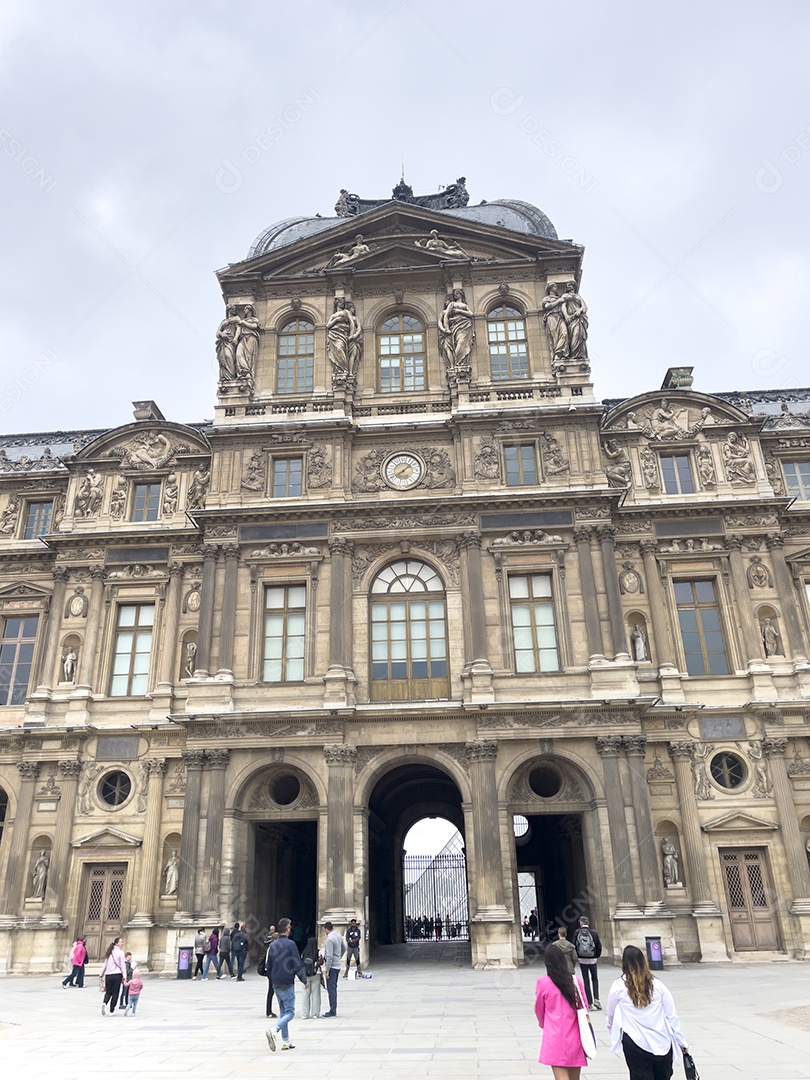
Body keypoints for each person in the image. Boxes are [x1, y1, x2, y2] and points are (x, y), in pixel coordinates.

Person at [606, 945, 688, 1080]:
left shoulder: (618, 986)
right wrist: (682, 1043)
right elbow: (672, 1016)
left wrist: (614, 1033)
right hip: (661, 1041)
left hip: (634, 1041)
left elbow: (611, 1015)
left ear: (624, 963)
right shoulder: (658, 985)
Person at [535, 940, 590, 1079]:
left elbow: (539, 1009)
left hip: (555, 1036)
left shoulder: (543, 983)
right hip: (575, 1036)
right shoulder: (576, 981)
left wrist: (543, 1024)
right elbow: (585, 1007)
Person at [265, 918, 306, 1053]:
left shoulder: (273, 945)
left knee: (283, 1012)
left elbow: (268, 965)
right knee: (290, 1012)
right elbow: (297, 963)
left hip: (276, 982)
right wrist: (304, 979)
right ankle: (274, 1029)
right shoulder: (291, 944)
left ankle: (286, 1041)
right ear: (287, 929)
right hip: (287, 981)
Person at [572, 917, 602, 1010]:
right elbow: (599, 946)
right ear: (588, 922)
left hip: (582, 960)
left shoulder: (577, 932)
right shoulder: (594, 933)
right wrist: (596, 955)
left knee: (586, 981)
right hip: (592, 959)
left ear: (581, 923)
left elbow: (574, 945)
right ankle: (596, 999)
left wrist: (578, 956)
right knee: (595, 979)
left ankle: (589, 1003)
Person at [322, 920, 345, 1017]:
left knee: (331, 989)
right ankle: (333, 1008)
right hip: (337, 965)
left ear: (326, 929)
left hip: (332, 966)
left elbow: (329, 955)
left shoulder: (329, 939)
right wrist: (338, 958)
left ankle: (332, 1010)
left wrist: (327, 969)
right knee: (334, 987)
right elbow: (344, 948)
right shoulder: (339, 936)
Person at [100, 936, 127, 1015]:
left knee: (108, 992)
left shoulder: (109, 952)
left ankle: (105, 1002)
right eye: (121, 942)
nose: (122, 943)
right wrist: (124, 976)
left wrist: (101, 974)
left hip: (108, 974)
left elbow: (105, 964)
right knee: (115, 993)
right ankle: (112, 1010)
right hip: (117, 974)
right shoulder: (120, 952)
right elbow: (122, 965)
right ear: (117, 943)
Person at [301, 935, 322, 1019]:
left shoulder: (304, 952)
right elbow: (321, 962)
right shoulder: (317, 952)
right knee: (316, 994)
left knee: (305, 995)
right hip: (316, 974)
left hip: (306, 975)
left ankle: (305, 1014)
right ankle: (315, 1013)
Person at [263, 927, 278, 1018]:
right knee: (272, 991)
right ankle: (269, 1011)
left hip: (270, 972)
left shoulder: (270, 947)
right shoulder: (273, 948)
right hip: (272, 972)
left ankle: (269, 1011)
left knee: (271, 991)